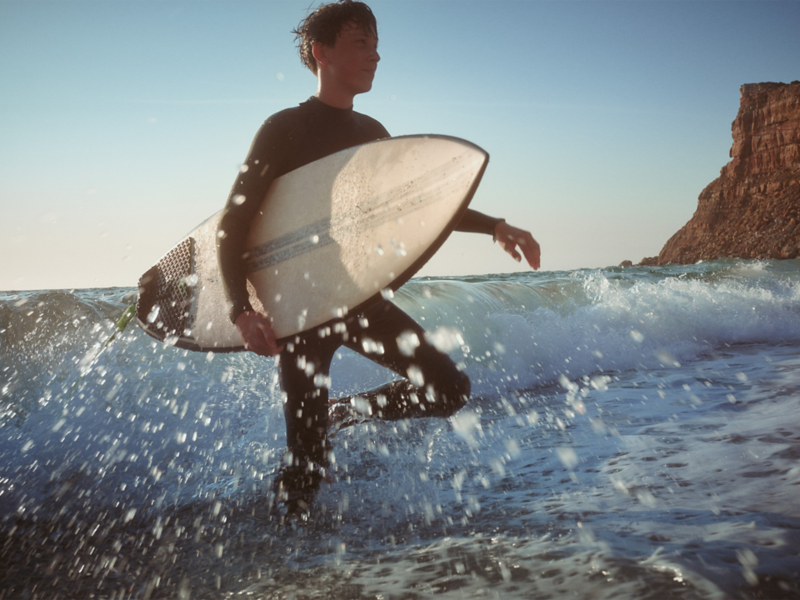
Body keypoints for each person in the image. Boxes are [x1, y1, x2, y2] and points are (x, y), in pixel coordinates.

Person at [217, 0, 540, 514]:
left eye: (376, 44)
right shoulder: (283, 129)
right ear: (321, 53)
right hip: (303, 314)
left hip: (360, 301)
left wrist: (495, 227)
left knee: (448, 390)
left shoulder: (370, 134)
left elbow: (415, 209)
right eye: (360, 44)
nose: (376, 56)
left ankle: (346, 412)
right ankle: (288, 573)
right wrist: (240, 308)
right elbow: (232, 228)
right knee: (306, 468)